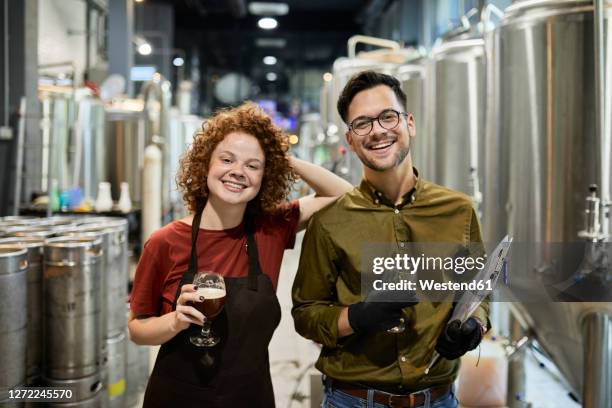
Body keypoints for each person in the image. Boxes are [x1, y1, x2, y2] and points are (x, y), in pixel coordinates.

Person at [128, 102, 353, 408]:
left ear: (264, 177)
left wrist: (281, 157)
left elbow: (343, 194)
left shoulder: (271, 229)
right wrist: (176, 321)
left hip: (251, 397)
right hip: (179, 397)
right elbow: (138, 329)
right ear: (206, 163)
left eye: (252, 165)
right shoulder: (165, 242)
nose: (238, 171)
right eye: (227, 159)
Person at [291, 71, 490, 408]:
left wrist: (474, 324)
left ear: (409, 123)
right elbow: (306, 314)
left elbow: (479, 291)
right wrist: (356, 317)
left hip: (439, 399)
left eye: (388, 116)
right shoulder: (330, 220)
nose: (378, 131)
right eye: (362, 123)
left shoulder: (458, 210)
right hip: (353, 400)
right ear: (350, 140)